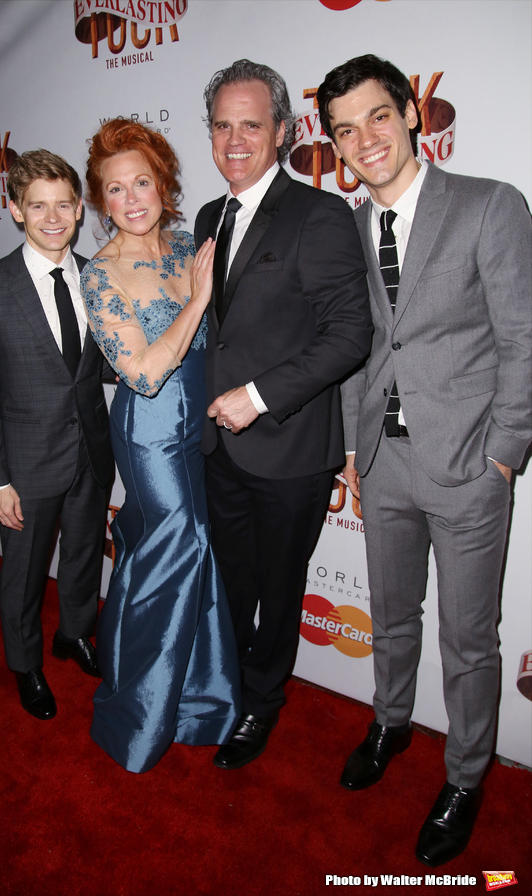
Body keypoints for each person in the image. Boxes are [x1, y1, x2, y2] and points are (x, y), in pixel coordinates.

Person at [317, 54, 532, 866]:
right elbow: (357, 345)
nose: (364, 139)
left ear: (411, 113)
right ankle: (390, 722)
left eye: (377, 116)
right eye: (344, 129)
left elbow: (523, 339)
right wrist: (349, 447)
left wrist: (505, 455)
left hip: (472, 463)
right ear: (333, 145)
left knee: (470, 638)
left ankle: (468, 774)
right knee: (393, 613)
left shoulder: (489, 206)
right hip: (382, 459)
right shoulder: (347, 226)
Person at [195, 60, 372, 770]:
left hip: (290, 450)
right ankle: (225, 684)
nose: (234, 140)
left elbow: (348, 335)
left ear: (282, 132)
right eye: (221, 126)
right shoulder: (211, 216)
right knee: (231, 582)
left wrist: (259, 396)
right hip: (218, 451)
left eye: (250, 124)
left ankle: (261, 704)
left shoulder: (320, 214)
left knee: (277, 588)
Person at [81, 118, 241, 773]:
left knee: (171, 554)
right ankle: (140, 713)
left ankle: (198, 700)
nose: (132, 198)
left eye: (141, 181)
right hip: (148, 433)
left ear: (163, 183)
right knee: (179, 546)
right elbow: (143, 375)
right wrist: (198, 303)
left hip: (199, 421)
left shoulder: (187, 246)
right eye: (115, 190)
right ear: (102, 201)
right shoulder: (100, 274)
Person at [0, 150, 114, 721]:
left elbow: (98, 365)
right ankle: (24, 664)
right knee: (23, 573)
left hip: (91, 454)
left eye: (63, 205)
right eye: (37, 206)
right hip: (24, 465)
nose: (53, 218)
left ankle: (73, 634)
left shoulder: (99, 276)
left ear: (78, 209)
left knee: (81, 557)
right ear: (16, 211)